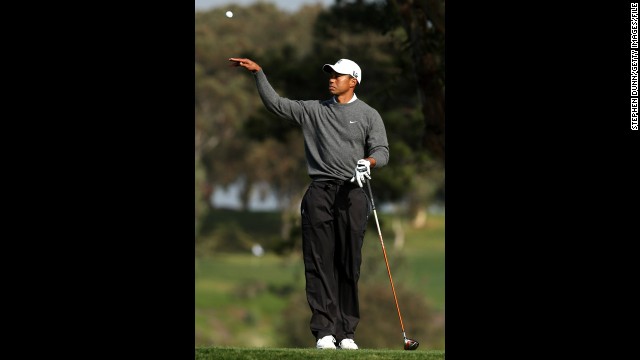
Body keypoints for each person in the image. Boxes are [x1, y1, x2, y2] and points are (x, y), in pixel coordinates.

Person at [229, 57, 389, 350]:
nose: (331, 79)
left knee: (348, 263)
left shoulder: (368, 114)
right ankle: (325, 331)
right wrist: (259, 74)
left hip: (353, 193)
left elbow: (381, 148)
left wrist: (370, 161)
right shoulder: (313, 110)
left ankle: (347, 332)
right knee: (318, 261)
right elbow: (276, 104)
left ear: (353, 81)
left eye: (337, 75)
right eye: (330, 74)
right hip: (319, 192)